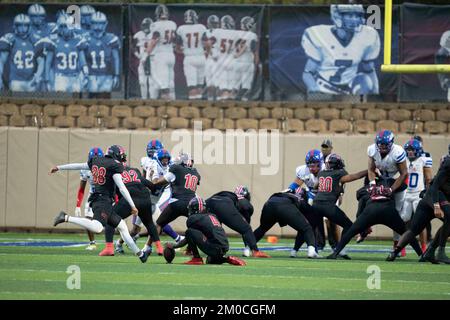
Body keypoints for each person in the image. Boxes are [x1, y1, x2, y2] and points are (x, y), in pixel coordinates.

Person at [50, 145, 150, 263]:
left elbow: (79, 165)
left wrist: (59, 167)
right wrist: (132, 205)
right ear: (115, 155)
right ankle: (66, 217)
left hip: (101, 200)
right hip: (102, 201)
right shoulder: (114, 166)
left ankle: (140, 254)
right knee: (97, 228)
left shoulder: (97, 161)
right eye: (121, 156)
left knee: (122, 226)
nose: (122, 159)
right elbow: (122, 188)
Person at [327, 178, 423, 260]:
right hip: (388, 210)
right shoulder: (389, 182)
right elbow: (403, 187)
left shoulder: (364, 190)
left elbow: (360, 211)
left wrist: (362, 229)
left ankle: (335, 253)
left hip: (371, 211)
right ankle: (421, 255)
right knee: (407, 233)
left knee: (350, 232)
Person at [301, 4, 380, 95]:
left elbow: (369, 70)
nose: (354, 20)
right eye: (350, 16)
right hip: (323, 86)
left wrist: (375, 93)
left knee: (365, 80)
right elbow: (308, 73)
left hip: (349, 89)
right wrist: (314, 89)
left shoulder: (367, 36)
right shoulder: (319, 35)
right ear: (337, 17)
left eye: (357, 16)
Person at [386, 155, 450, 264]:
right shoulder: (448, 164)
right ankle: (439, 252)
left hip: (432, 198)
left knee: (415, 229)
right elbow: (434, 186)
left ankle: (429, 252)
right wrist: (436, 206)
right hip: (435, 197)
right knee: (415, 229)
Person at [312, 153, 367, 259]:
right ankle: (340, 249)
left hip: (315, 204)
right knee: (348, 226)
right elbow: (354, 176)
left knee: (311, 227)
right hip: (328, 205)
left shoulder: (322, 173)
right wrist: (368, 171)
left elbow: (315, 186)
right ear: (337, 164)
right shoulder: (340, 173)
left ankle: (308, 250)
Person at [101, 165, 160, 257]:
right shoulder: (134, 170)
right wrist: (155, 189)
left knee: (110, 219)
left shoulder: (114, 172)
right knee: (149, 223)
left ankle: (109, 248)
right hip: (144, 198)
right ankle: (159, 248)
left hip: (130, 199)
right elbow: (150, 185)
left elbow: (115, 190)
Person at [171, 196, 246, 266]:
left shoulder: (193, 219)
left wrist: (175, 246)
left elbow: (190, 236)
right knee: (210, 261)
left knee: (189, 231)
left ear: (194, 208)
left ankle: (196, 258)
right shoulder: (212, 215)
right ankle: (227, 259)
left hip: (214, 247)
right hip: (224, 247)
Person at [368, 130, 408, 252]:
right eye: (380, 144)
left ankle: (398, 243)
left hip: (397, 181)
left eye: (385, 145)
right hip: (381, 179)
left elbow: (404, 174)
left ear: (391, 143)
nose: (382, 147)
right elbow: (370, 169)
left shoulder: (398, 151)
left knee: (397, 215)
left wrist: (391, 189)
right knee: (367, 200)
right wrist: (372, 185)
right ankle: (365, 228)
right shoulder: (372, 149)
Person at [253, 188, 319, 259]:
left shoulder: (284, 193)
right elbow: (305, 226)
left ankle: (247, 248)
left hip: (269, 204)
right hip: (285, 206)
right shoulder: (301, 200)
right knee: (307, 228)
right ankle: (311, 251)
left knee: (262, 228)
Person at [205, 186, 269, 258]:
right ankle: (255, 251)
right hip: (224, 204)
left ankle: (191, 250)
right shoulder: (244, 202)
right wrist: (248, 247)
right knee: (246, 229)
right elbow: (245, 229)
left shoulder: (227, 194)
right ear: (246, 195)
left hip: (209, 202)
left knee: (212, 228)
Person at [287, 149, 325, 255]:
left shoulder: (326, 170)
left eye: (315, 165)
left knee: (330, 222)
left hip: (327, 197)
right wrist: (286, 191)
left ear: (321, 163)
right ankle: (308, 249)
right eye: (310, 165)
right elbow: (294, 186)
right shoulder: (303, 170)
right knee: (310, 224)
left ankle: (336, 247)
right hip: (312, 198)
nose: (312, 168)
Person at [400, 139, 432, 253]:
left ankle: (423, 246)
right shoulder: (403, 160)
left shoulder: (424, 160)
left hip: (418, 194)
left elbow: (429, 179)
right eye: (408, 150)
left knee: (420, 221)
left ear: (418, 150)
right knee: (404, 220)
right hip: (405, 193)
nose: (410, 152)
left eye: (412, 150)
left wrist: (428, 193)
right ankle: (401, 246)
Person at [43, 14, 88, 93]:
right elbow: (48, 63)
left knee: (75, 102)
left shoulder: (78, 40)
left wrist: (86, 74)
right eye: (63, 26)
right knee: (61, 100)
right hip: (60, 78)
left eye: (67, 26)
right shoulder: (53, 40)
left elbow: (82, 61)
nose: (65, 29)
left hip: (75, 77)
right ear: (59, 27)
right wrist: (47, 79)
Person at [0, 14, 45, 92]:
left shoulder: (36, 39)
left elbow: (41, 61)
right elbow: (1, 61)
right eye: (20, 26)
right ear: (15, 26)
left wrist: (37, 75)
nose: (22, 29)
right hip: (15, 80)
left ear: (29, 26)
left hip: (31, 80)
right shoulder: (10, 39)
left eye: (25, 26)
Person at [83, 12, 121, 97]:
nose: (98, 27)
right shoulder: (85, 38)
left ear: (105, 24)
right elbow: (81, 59)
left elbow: (116, 58)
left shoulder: (111, 38)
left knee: (105, 100)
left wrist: (116, 75)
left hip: (106, 75)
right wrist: (83, 75)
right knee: (92, 101)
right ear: (91, 24)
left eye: (100, 23)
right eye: (95, 23)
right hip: (91, 75)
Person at [75, 147, 103, 251]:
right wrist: (78, 205)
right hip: (93, 195)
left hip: (106, 195)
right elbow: (82, 188)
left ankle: (116, 243)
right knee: (87, 219)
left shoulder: (106, 167)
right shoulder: (85, 168)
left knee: (113, 221)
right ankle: (92, 243)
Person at [146, 4, 177, 100]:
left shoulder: (155, 25)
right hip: (171, 54)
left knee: (164, 86)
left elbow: (154, 41)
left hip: (161, 55)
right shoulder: (172, 24)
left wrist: (146, 54)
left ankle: (166, 110)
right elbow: (175, 40)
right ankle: (174, 105)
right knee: (171, 82)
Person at [176, 9, 207, 100]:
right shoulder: (201, 27)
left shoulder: (181, 29)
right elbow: (206, 43)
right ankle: (200, 106)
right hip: (201, 57)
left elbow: (177, 48)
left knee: (192, 86)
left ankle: (193, 106)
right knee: (200, 85)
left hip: (189, 58)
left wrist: (185, 51)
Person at [320, 139, 340, 250]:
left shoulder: (335, 159)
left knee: (333, 220)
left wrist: (341, 193)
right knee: (324, 220)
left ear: (331, 148)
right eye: (323, 146)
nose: (324, 148)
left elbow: (341, 178)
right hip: (322, 194)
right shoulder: (319, 160)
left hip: (332, 193)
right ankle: (322, 243)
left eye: (326, 146)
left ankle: (337, 244)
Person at [233, 16, 258, 101]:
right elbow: (255, 50)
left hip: (236, 62)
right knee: (246, 85)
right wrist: (257, 63)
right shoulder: (252, 35)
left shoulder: (235, 34)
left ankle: (233, 99)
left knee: (235, 85)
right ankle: (241, 100)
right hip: (247, 62)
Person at [133, 17, 158, 99]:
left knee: (152, 82)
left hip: (152, 59)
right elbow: (133, 46)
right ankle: (143, 99)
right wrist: (138, 55)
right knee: (142, 82)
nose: (146, 27)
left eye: (148, 25)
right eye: (145, 25)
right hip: (142, 60)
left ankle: (152, 100)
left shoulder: (155, 34)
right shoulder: (138, 35)